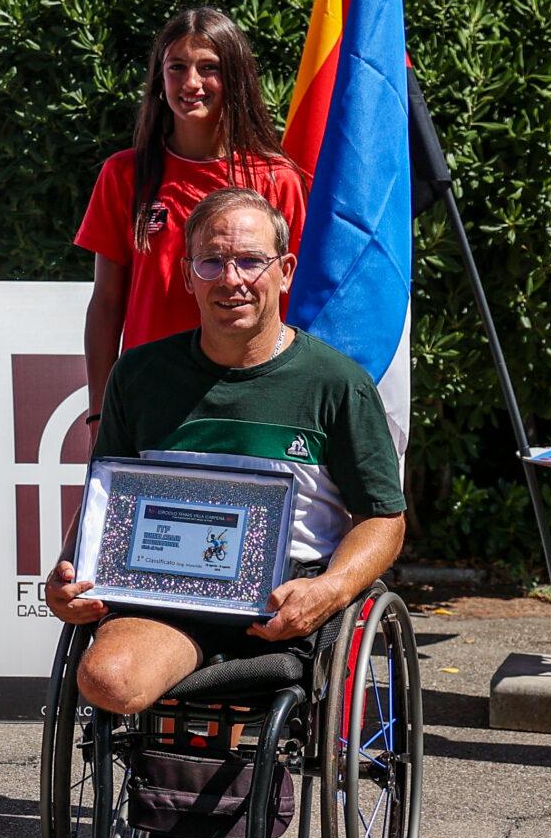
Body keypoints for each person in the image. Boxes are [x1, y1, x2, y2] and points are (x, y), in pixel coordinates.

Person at [46, 188, 406, 714]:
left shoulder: (337, 384)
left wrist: (329, 590)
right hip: (168, 599)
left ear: (284, 271)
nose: (231, 279)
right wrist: (68, 572)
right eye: (212, 262)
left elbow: (383, 519)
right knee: (108, 680)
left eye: (250, 262)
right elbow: (107, 496)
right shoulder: (140, 376)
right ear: (188, 275)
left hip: (285, 597)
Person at [77, 6, 307, 435]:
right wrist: (99, 412)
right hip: (151, 400)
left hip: (251, 401)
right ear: (159, 81)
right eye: (177, 67)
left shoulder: (277, 179)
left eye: (209, 68)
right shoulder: (125, 175)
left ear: (234, 78)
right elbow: (107, 304)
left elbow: (293, 305)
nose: (191, 83)